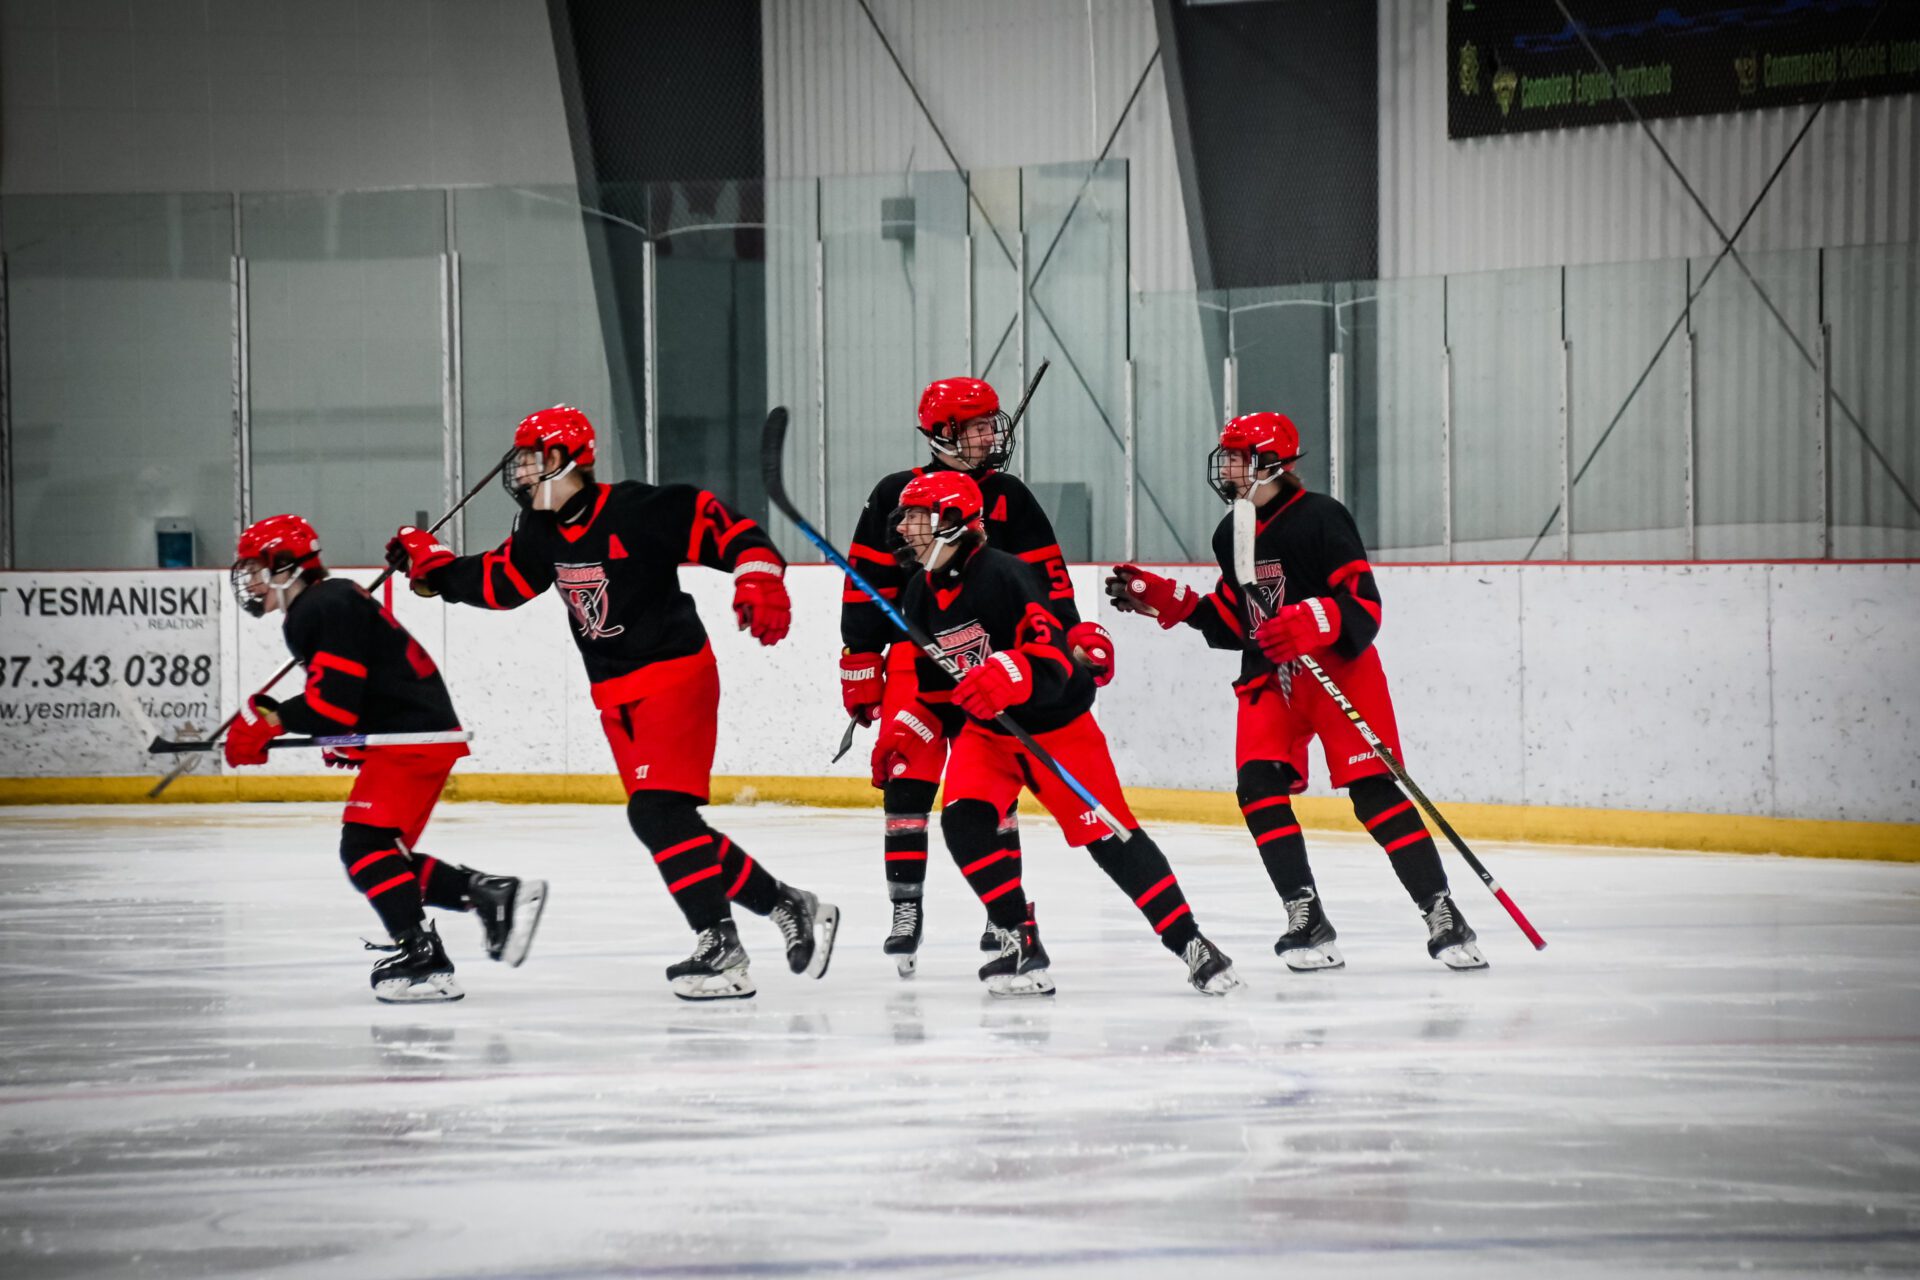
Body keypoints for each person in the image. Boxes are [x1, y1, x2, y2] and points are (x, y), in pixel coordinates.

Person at [385, 405, 838, 1001]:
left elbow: (735, 532)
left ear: (563, 460)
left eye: (528, 459)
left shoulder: (642, 509)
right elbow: (501, 585)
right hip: (615, 695)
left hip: (675, 675)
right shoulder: (540, 532)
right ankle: (787, 904)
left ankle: (720, 946)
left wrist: (758, 577)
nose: (518, 473)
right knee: (674, 825)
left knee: (656, 816)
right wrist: (433, 565)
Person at [1104, 412, 1486, 971]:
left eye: (1237, 457)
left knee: (1373, 793)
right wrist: (1175, 603)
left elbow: (1364, 603)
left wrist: (1318, 619)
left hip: (1338, 671)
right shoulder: (1229, 531)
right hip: (1268, 675)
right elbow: (1242, 620)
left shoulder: (1321, 517)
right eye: (1227, 456)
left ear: (1269, 463)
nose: (1227, 467)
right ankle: (1305, 914)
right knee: (1257, 787)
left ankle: (1440, 909)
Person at [889, 469, 1238, 997]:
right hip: (987, 739)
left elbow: (1053, 653)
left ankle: (1191, 943)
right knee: (963, 823)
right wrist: (910, 729)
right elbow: (939, 690)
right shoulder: (919, 593)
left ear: (955, 522)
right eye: (907, 519)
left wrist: (1013, 672)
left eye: (919, 518)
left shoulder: (1005, 574)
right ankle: (1019, 941)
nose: (907, 530)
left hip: (1057, 731)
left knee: (1111, 840)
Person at [840, 376, 1114, 976]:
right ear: (943, 434)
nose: (993, 433)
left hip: (996, 663)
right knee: (906, 780)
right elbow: (867, 584)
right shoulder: (897, 493)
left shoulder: (1010, 496)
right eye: (978, 425)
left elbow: (1050, 582)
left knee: (991, 785)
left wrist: (1071, 641)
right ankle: (905, 912)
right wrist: (861, 660)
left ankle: (1002, 914)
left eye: (994, 422)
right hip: (920, 657)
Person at [224, 513, 546, 1003]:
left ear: (285, 565)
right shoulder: (330, 600)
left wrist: (271, 724)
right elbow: (355, 692)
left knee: (365, 851)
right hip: (416, 729)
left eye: (254, 567)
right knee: (382, 859)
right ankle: (490, 895)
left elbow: (334, 701)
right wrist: (345, 735)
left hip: (416, 734)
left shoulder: (316, 608)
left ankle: (424, 958)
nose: (248, 580)